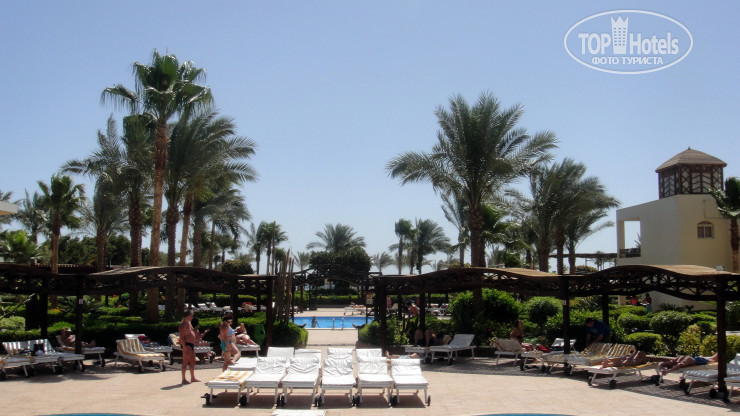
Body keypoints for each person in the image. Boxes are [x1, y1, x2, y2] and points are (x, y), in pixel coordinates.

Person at [178, 310, 201, 384]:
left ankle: (192, 377)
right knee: (185, 362)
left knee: (193, 361)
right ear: (188, 316)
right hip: (187, 344)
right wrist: (184, 346)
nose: (192, 317)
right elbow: (181, 337)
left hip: (191, 344)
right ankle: (183, 379)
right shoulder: (183, 324)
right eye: (191, 316)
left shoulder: (189, 322)